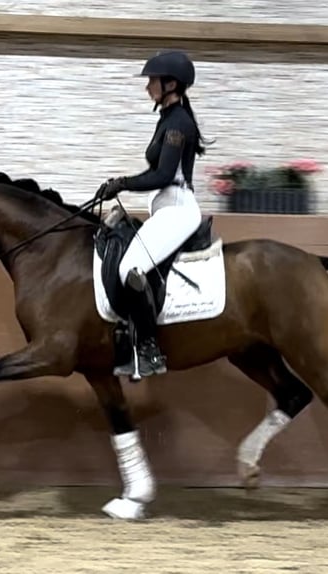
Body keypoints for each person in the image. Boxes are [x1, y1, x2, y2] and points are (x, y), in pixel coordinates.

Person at [96, 50, 211, 379]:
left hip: (178, 209)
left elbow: (162, 175)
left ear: (171, 83)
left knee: (132, 268)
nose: (148, 87)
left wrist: (122, 183)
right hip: (165, 207)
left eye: (152, 81)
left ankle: (149, 351)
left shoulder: (179, 123)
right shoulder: (168, 119)